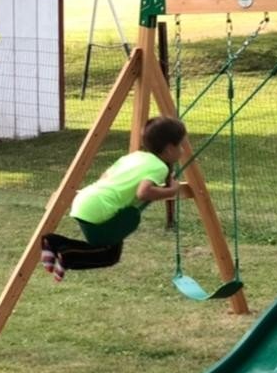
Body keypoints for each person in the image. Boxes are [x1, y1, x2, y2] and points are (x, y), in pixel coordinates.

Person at [41, 116, 186, 282]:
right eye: (180, 145)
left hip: (85, 200)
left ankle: (57, 245)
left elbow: (105, 176)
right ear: (169, 149)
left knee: (109, 252)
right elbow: (143, 193)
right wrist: (171, 191)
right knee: (109, 255)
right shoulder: (159, 167)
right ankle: (63, 253)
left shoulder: (134, 156)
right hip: (100, 208)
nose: (182, 150)